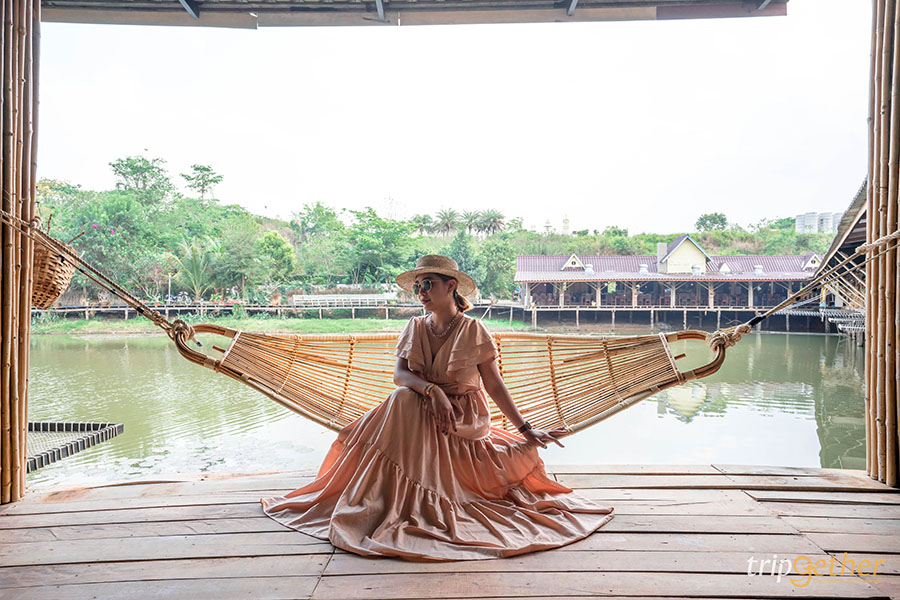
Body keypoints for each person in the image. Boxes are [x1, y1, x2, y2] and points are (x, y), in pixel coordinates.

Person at [260, 255, 614, 561]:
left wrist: (525, 429)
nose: (421, 292)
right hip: (422, 408)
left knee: (404, 400)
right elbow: (400, 375)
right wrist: (432, 391)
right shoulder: (416, 326)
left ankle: (408, 500)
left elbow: (493, 385)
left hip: (461, 418)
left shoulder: (473, 330)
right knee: (403, 397)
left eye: (428, 284)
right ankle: (390, 501)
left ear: (451, 286)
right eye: (418, 286)